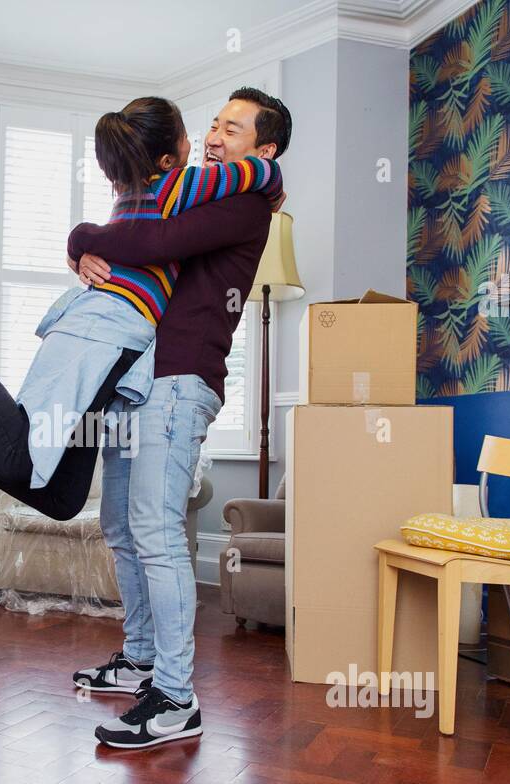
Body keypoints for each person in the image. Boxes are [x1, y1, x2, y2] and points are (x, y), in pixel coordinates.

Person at [0, 95, 282, 525]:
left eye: (227, 129)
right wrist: (272, 177)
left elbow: (142, 238)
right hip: (102, 331)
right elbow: (243, 179)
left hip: (115, 341)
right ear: (167, 158)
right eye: (193, 134)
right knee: (18, 456)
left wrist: (82, 239)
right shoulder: (176, 185)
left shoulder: (134, 190)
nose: (204, 141)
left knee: (64, 497)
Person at [69, 88, 293, 749]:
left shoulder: (245, 203)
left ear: (265, 149)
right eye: (214, 125)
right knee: (120, 522)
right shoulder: (192, 188)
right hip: (136, 380)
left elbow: (153, 240)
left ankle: (175, 696)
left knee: (155, 531)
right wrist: (80, 242)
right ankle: (140, 658)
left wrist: (87, 238)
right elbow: (129, 215)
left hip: (179, 379)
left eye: (235, 128)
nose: (218, 135)